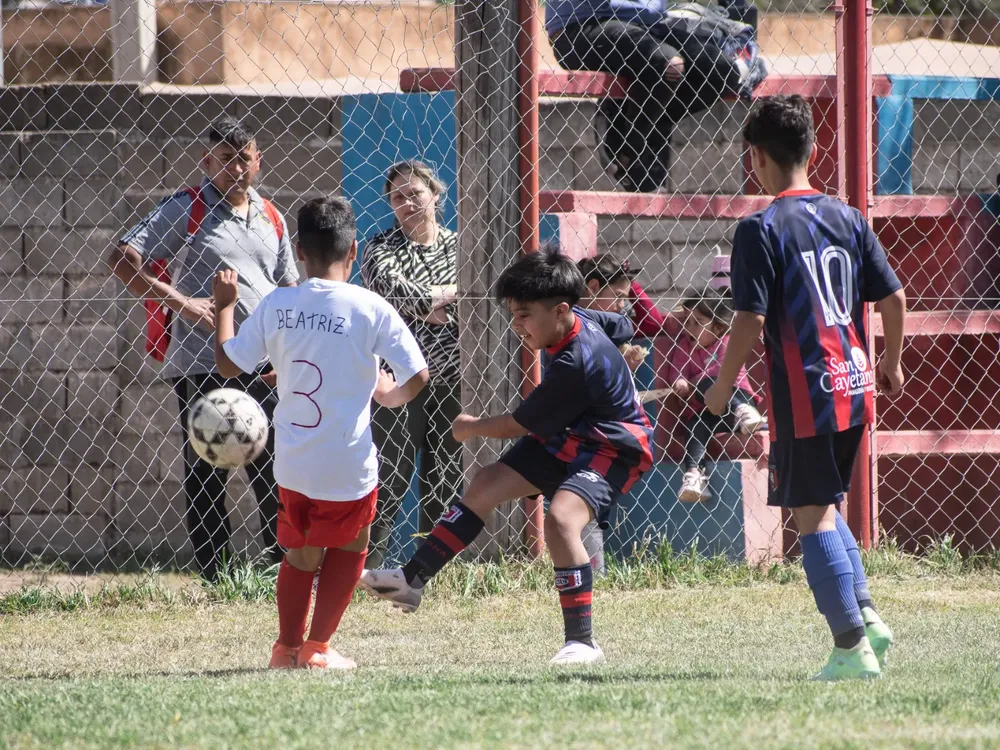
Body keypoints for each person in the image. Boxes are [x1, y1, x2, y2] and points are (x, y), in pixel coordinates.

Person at [360, 249, 654, 666]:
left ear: (561, 311)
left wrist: (469, 426)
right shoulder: (578, 320)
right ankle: (412, 580)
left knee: (561, 520)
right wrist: (625, 340)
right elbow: (619, 322)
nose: (517, 327)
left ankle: (582, 642)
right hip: (569, 436)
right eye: (514, 315)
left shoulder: (577, 361)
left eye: (524, 316)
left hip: (612, 447)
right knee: (485, 484)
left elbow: (519, 423)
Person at [703, 95, 906, 680]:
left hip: (806, 394)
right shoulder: (847, 216)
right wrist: (890, 363)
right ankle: (866, 617)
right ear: (813, 150)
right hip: (854, 383)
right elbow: (892, 297)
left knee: (810, 515)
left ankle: (849, 650)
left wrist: (720, 390)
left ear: (757, 159)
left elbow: (749, 320)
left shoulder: (760, 229)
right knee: (829, 505)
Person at [213, 197, 430, 669]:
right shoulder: (371, 307)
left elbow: (229, 362)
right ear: (353, 252)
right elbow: (418, 374)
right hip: (348, 463)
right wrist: (388, 395)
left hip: (293, 462)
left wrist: (224, 308)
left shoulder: (279, 304)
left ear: (299, 250)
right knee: (351, 546)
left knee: (300, 554)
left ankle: (285, 649)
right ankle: (318, 648)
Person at [109, 116, 298, 581]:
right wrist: (183, 303)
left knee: (272, 465)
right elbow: (122, 258)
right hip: (201, 364)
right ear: (207, 162)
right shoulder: (186, 209)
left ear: (258, 163)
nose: (235, 169)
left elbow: (289, 286)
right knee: (207, 469)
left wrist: (289, 354)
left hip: (263, 361)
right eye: (225, 160)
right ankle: (217, 573)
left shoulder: (271, 215)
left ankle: (280, 567)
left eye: (244, 160)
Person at [545, 0, 767, 192]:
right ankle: (631, 150)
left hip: (650, 23)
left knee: (722, 71)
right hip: (581, 24)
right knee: (667, 64)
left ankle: (625, 124)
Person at [360, 160, 462, 567]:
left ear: (435, 195)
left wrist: (428, 302)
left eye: (415, 193)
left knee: (446, 478)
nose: (406, 202)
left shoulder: (462, 247)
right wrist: (439, 300)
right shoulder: (380, 248)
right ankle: (365, 569)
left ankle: (431, 569)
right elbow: (387, 290)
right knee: (391, 477)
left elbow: (476, 294)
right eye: (397, 197)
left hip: (454, 379)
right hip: (399, 383)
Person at [665, 287, 764, 502]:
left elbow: (722, 373)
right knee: (694, 426)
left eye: (698, 323)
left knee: (711, 383)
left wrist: (692, 383)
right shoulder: (684, 345)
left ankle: (743, 412)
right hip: (710, 412)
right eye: (687, 321)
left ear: (718, 327)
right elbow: (677, 371)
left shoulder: (726, 342)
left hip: (737, 401)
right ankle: (694, 475)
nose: (690, 328)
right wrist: (680, 381)